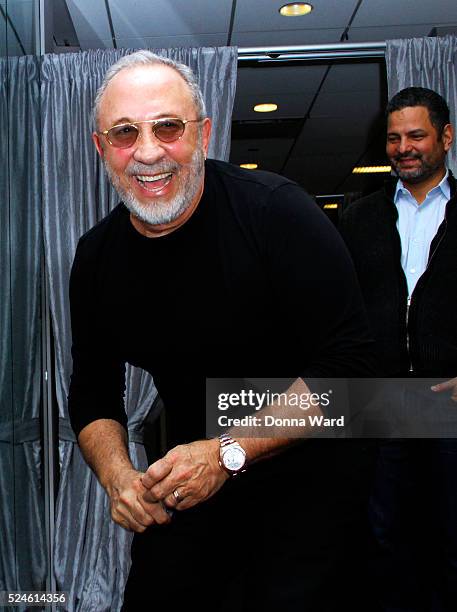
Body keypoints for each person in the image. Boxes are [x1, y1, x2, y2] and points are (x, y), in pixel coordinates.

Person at [68, 50, 376, 611]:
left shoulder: (278, 213)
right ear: (100, 148)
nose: (148, 152)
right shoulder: (96, 257)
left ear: (203, 133)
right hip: (189, 477)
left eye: (168, 127)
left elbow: (350, 371)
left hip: (309, 476)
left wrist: (227, 453)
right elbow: (92, 388)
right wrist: (117, 477)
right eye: (124, 133)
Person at [340, 87, 457, 612]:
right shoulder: (358, 217)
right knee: (382, 538)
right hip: (379, 402)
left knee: (451, 536)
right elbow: (341, 312)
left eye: (415, 135)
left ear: (446, 138)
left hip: (450, 403)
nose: (402, 147)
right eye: (393, 138)